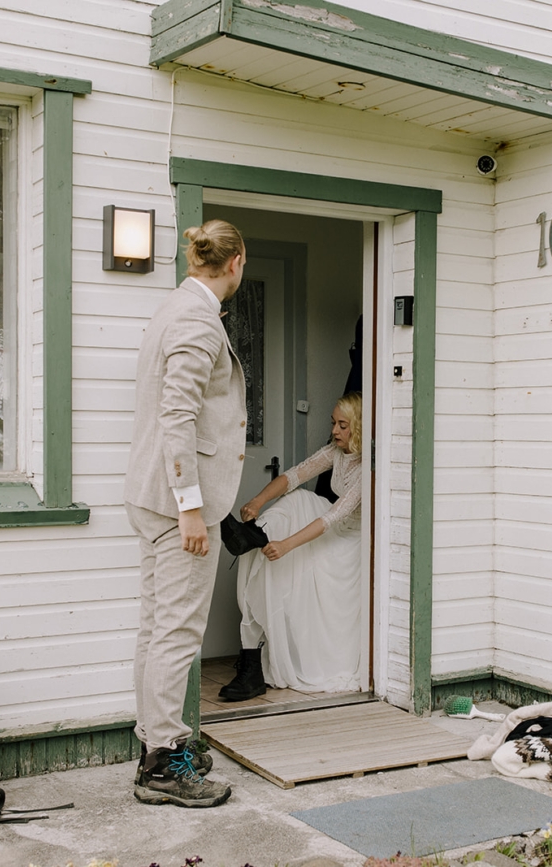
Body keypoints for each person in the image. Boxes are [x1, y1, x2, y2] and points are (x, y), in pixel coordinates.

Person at [123, 219, 247, 808]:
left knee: (156, 629)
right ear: (236, 262)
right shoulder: (197, 320)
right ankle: (163, 763)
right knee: (176, 634)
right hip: (177, 506)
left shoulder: (174, 306)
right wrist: (192, 508)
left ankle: (156, 743)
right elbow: (178, 416)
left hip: (148, 496)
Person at [220, 392, 364, 701]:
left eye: (343, 426)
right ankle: (253, 534)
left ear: (359, 427)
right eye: (333, 423)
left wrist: (286, 545)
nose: (335, 431)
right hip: (331, 522)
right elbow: (295, 475)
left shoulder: (368, 468)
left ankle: (257, 537)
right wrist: (257, 501)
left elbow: (333, 517)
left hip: (352, 538)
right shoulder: (335, 452)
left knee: (299, 529)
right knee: (298, 498)